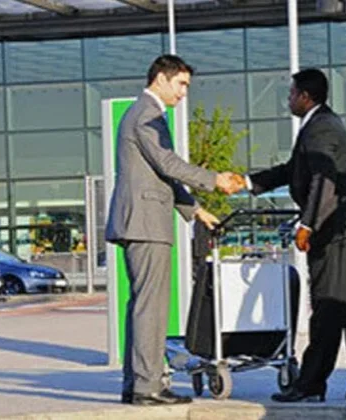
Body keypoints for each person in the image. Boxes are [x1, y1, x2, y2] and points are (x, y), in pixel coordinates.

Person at [228, 68, 346, 402]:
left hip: (338, 231)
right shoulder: (321, 124)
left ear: (305, 97)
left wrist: (306, 225)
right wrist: (250, 182)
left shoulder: (321, 127)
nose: (288, 100)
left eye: (291, 94)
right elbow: (294, 170)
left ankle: (311, 384)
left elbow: (322, 180)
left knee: (328, 308)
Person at [105, 55, 238, 406]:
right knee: (151, 307)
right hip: (146, 223)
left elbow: (160, 173)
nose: (183, 94)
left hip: (142, 220)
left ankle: (136, 383)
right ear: (161, 79)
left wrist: (195, 211)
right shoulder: (146, 114)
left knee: (142, 305)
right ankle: (148, 387)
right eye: (181, 85)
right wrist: (214, 180)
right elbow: (168, 163)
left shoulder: (142, 113)